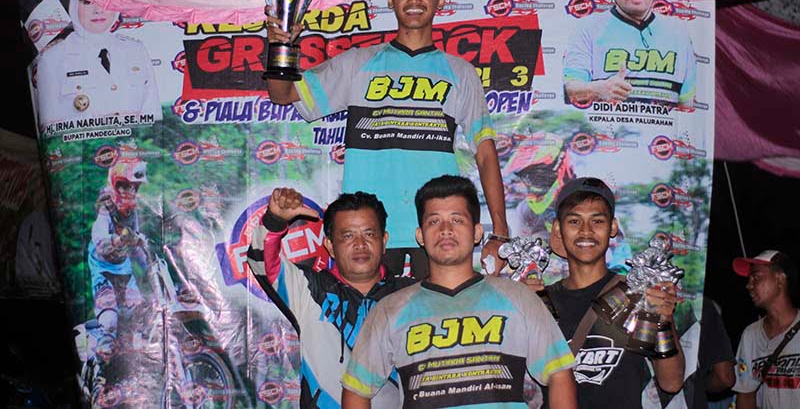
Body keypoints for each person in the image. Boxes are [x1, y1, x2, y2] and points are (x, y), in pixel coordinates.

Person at [264, 0, 508, 278]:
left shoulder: (461, 72)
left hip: (437, 228)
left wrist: (500, 232)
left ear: (440, 0)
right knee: (369, 314)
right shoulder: (357, 64)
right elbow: (282, 94)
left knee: (437, 313)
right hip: (368, 230)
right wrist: (279, 49)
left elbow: (486, 153)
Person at [341, 175, 577, 408]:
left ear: (477, 233)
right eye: (434, 221)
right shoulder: (390, 310)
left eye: (457, 220)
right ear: (420, 236)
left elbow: (559, 373)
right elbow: (356, 390)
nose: (445, 230)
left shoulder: (518, 298)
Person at [247, 187, 415, 408]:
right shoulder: (309, 289)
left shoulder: (412, 294)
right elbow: (261, 263)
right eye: (348, 236)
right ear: (330, 246)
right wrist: (275, 220)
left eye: (369, 234)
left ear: (384, 241)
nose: (360, 244)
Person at [543, 177, 685, 407]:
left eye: (597, 221)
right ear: (558, 228)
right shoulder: (542, 303)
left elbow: (671, 382)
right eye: (574, 221)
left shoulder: (637, 296)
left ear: (613, 227)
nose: (586, 231)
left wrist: (663, 321)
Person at [35, 0, 162, 129]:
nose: (98, 10)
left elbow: (153, 115)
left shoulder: (136, 50)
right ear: (74, 7)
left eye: (105, 1)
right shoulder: (53, 58)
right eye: (88, 2)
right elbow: (50, 127)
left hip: (136, 141)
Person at [563, 0, 697, 107]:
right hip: (608, 122)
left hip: (660, 124)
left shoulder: (678, 31)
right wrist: (597, 89)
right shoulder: (589, 26)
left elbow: (687, 100)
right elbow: (570, 88)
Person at [88, 159, 149, 349]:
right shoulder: (106, 208)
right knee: (109, 319)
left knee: (138, 309)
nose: (129, 192)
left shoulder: (132, 212)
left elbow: (136, 242)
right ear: (116, 185)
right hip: (102, 267)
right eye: (124, 186)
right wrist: (118, 239)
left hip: (123, 266)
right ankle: (99, 355)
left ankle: (137, 353)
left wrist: (148, 263)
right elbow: (99, 240)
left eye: (133, 187)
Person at [732, 250, 800, 409]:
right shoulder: (751, 334)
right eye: (749, 279)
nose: (749, 285)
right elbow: (746, 394)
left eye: (756, 277)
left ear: (780, 279)